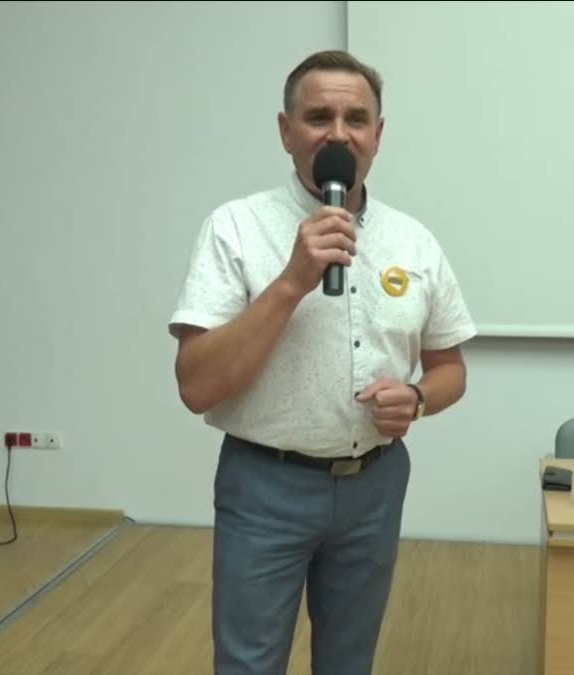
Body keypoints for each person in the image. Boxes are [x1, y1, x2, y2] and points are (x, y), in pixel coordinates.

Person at [168, 49, 476, 675]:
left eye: (356, 119)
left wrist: (418, 399)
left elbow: (451, 369)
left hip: (375, 488)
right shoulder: (235, 228)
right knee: (249, 664)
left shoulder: (414, 240)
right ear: (286, 131)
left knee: (348, 662)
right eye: (318, 117)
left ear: (377, 135)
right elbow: (196, 385)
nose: (339, 134)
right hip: (265, 486)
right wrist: (291, 281)